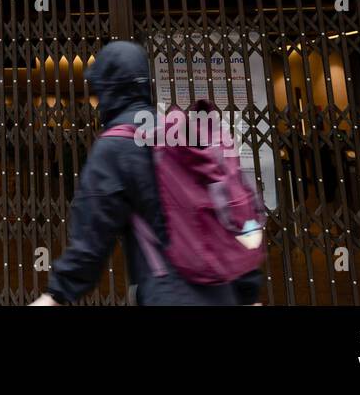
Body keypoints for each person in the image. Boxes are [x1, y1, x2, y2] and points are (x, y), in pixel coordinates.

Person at [31, 40, 263, 306]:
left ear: (108, 88)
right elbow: (228, 211)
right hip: (224, 292)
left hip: (169, 294)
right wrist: (248, 291)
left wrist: (56, 294)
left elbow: (92, 239)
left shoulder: (115, 146)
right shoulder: (178, 133)